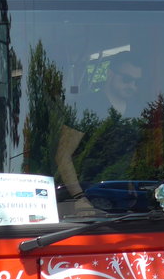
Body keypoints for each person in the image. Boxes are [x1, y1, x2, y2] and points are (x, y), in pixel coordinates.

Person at [55, 53, 147, 213]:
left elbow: (135, 156)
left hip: (126, 201)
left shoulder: (138, 110)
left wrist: (134, 188)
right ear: (110, 74)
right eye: (126, 79)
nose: (132, 86)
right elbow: (63, 155)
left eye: (137, 82)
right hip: (89, 200)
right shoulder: (85, 106)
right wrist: (79, 197)